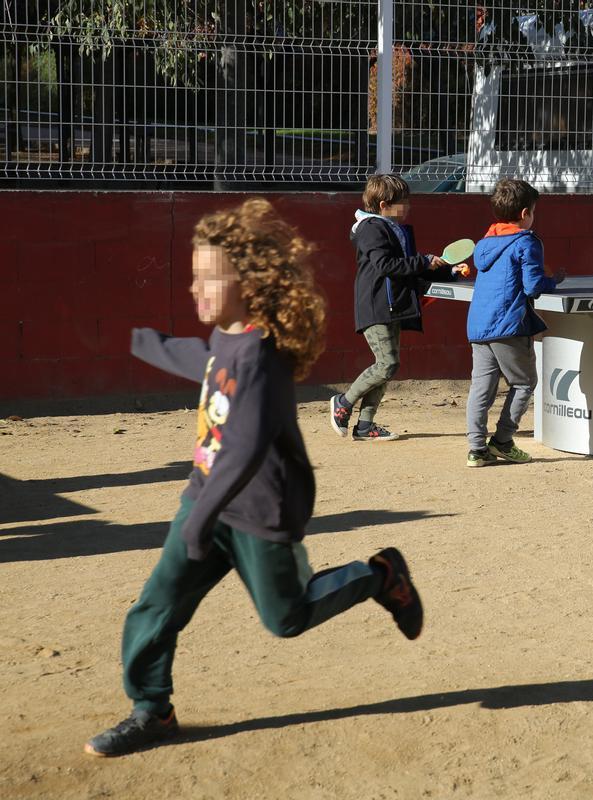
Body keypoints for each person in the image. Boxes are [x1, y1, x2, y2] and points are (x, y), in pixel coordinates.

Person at [85, 199, 424, 758]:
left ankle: (379, 575)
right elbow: (207, 362)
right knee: (156, 605)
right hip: (207, 501)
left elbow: (242, 450)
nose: (194, 289)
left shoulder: (264, 359)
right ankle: (152, 709)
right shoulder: (228, 336)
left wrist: (201, 516)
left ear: (249, 282)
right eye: (193, 277)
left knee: (286, 617)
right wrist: (142, 341)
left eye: (206, 279)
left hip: (259, 510)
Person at [329, 174, 466, 442]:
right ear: (383, 204)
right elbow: (386, 266)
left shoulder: (393, 230)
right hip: (377, 305)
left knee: (389, 365)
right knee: (387, 364)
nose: (408, 207)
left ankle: (365, 426)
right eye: (403, 202)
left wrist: (448, 272)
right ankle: (343, 402)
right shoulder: (371, 228)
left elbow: (409, 270)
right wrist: (424, 262)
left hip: (393, 306)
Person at [464, 178, 563, 467]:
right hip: (509, 325)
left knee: (481, 388)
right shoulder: (526, 242)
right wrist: (553, 281)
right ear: (525, 214)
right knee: (524, 382)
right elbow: (533, 286)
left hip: (479, 325)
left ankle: (476, 449)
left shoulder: (484, 242)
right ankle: (503, 441)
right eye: (533, 211)